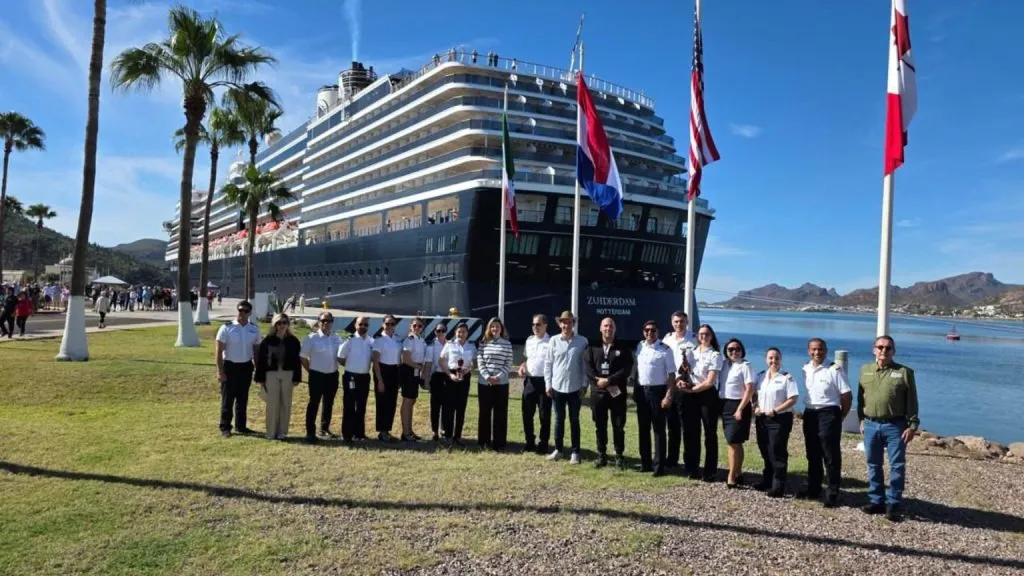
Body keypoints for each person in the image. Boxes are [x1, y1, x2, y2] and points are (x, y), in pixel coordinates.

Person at [858, 335, 919, 522]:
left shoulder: (904, 372)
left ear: (893, 351)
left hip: (895, 426)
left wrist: (913, 425)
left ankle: (893, 503)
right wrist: (861, 420)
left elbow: (912, 402)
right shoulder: (865, 370)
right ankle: (877, 500)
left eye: (888, 348)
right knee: (873, 464)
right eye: (880, 347)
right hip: (870, 425)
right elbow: (861, 398)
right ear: (874, 349)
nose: (884, 351)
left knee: (897, 465)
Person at [798, 337, 852, 508]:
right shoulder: (805, 368)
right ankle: (813, 490)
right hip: (810, 413)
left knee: (830, 456)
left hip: (828, 413)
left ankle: (832, 492)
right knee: (812, 453)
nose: (817, 352)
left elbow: (846, 396)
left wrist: (840, 416)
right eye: (813, 349)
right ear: (809, 351)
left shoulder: (834, 369)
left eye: (820, 349)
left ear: (826, 351)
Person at [584, 317, 634, 469]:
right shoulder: (592, 346)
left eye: (611, 326)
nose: (608, 328)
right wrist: (598, 380)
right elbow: (588, 367)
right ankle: (602, 455)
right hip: (598, 392)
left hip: (616, 392)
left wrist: (610, 380)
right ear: (600, 328)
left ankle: (619, 456)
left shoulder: (623, 347)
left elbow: (627, 368)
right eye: (605, 326)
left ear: (615, 329)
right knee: (600, 425)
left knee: (618, 425)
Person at [544, 310, 588, 464]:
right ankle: (559, 449)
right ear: (560, 324)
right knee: (558, 419)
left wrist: (584, 385)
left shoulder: (582, 341)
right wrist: (548, 384)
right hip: (557, 387)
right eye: (563, 322)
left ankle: (575, 452)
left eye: (569, 322)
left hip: (575, 388)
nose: (566, 325)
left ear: (573, 323)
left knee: (574, 420)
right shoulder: (554, 341)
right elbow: (548, 363)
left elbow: (584, 366)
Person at [753, 347, 799, 497]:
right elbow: (754, 395)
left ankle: (778, 486)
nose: (774, 361)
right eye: (771, 358)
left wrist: (776, 410)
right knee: (765, 450)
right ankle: (767, 480)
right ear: (766, 360)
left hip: (779, 419)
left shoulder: (787, 377)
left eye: (777, 358)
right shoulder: (760, 376)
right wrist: (756, 407)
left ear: (781, 359)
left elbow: (793, 399)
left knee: (777, 451)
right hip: (762, 419)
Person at [680, 324, 722, 481]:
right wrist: (682, 382)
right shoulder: (691, 353)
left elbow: (710, 381)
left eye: (707, 334)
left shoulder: (715, 355)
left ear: (711, 336)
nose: (704, 337)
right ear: (698, 336)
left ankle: (710, 470)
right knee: (691, 432)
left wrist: (693, 389)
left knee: (710, 433)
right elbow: (683, 372)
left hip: (707, 396)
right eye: (701, 334)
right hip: (691, 394)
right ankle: (692, 468)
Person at [635, 320, 677, 476]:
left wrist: (668, 395)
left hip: (658, 392)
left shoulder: (665, 350)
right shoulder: (640, 346)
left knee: (659, 430)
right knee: (643, 429)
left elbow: (671, 375)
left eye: (652, 330)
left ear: (657, 332)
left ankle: (659, 466)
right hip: (642, 392)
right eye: (646, 330)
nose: (649, 333)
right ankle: (645, 463)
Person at [214, 300, 261, 437]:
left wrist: (258, 369)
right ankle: (225, 427)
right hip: (230, 366)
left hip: (246, 367)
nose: (242, 313)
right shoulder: (226, 328)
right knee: (228, 398)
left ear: (250, 313)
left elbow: (256, 351)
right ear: (237, 311)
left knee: (242, 398)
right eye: (240, 310)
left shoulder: (254, 329)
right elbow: (218, 351)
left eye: (246, 311)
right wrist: (220, 371)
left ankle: (241, 426)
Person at [254, 313, 302, 440]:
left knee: (286, 403)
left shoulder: (293, 341)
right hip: (271, 374)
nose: (282, 325)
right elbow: (261, 360)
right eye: (279, 323)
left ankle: (282, 432)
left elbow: (297, 361)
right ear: (274, 325)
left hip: (288, 374)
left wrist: (297, 377)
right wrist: (260, 378)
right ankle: (271, 432)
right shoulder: (267, 340)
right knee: (272, 404)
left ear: (288, 324)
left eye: (284, 323)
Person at [300, 312, 344, 442]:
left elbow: (341, 356)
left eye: (329, 321)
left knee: (328, 403)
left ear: (332, 322)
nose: (326, 323)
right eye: (323, 320)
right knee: (313, 403)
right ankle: (310, 432)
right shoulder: (311, 338)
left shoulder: (337, 338)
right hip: (316, 375)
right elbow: (303, 357)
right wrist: (311, 371)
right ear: (319, 321)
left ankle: (324, 429)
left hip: (332, 375)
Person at [719, 338, 755, 488]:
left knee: (733, 442)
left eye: (737, 349)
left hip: (738, 405)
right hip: (724, 405)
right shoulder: (723, 365)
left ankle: (731, 477)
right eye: (730, 349)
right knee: (734, 442)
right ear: (726, 351)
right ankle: (738, 472)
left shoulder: (745, 366)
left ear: (742, 351)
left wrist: (740, 408)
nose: (734, 352)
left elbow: (750, 389)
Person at [661, 311, 694, 470]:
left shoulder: (694, 339)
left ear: (687, 322)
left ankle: (689, 461)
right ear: (672, 323)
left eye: (681, 321)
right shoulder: (667, 339)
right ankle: (672, 459)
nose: (679, 324)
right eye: (676, 322)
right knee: (672, 425)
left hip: (685, 387)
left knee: (687, 426)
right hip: (670, 386)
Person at [477, 317, 514, 450]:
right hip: (484, 383)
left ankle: (499, 442)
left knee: (500, 413)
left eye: (497, 326)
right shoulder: (483, 343)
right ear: (489, 328)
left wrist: (498, 377)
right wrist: (487, 376)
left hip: (501, 383)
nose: (495, 329)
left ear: (501, 328)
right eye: (492, 326)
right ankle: (483, 441)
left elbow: (508, 363)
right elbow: (480, 361)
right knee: (484, 412)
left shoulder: (507, 344)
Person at [519, 314, 551, 454]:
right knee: (527, 413)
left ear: (545, 325)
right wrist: (522, 367)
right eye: (533, 324)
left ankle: (543, 444)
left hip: (544, 381)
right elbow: (527, 359)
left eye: (538, 324)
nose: (535, 327)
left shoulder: (551, 342)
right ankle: (529, 442)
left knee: (544, 415)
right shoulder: (529, 340)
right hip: (530, 381)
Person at [338, 316, 373, 442]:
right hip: (351, 376)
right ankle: (347, 434)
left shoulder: (371, 341)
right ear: (355, 325)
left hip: (364, 377)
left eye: (366, 325)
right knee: (349, 406)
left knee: (361, 406)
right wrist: (350, 366)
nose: (363, 327)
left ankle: (359, 433)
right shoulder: (349, 340)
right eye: (361, 324)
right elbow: (340, 357)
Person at [440, 322, 475, 447]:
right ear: (455, 333)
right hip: (451, 376)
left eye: (464, 331)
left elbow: (473, 363)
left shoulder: (471, 346)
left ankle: (458, 436)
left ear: (467, 333)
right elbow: (442, 360)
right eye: (459, 331)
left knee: (461, 407)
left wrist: (467, 370)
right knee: (449, 407)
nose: (461, 334)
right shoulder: (449, 345)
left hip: (464, 376)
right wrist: (450, 375)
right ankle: (448, 436)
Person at [371, 314, 402, 442]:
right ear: (382, 325)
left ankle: (387, 430)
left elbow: (399, 359)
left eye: (392, 324)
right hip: (382, 371)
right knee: (382, 403)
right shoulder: (379, 340)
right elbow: (376, 362)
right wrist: (380, 380)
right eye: (387, 324)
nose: (389, 326)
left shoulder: (397, 339)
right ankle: (382, 431)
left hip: (394, 371)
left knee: (391, 403)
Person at [399, 318, 427, 442]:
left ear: (423, 328)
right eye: (415, 325)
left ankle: (409, 431)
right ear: (411, 326)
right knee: (407, 401)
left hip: (416, 371)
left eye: (419, 326)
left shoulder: (421, 340)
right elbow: (405, 359)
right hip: (409, 371)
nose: (417, 328)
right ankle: (406, 433)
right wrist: (419, 367)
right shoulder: (409, 340)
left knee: (412, 401)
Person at [424, 323, 450, 440]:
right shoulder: (431, 346)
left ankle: (444, 429)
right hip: (436, 377)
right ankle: (435, 431)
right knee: (435, 406)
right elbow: (428, 365)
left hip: (448, 376)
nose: (440, 333)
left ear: (446, 332)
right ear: (435, 332)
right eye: (438, 331)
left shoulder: (451, 345)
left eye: (443, 331)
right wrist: (426, 381)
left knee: (447, 405)